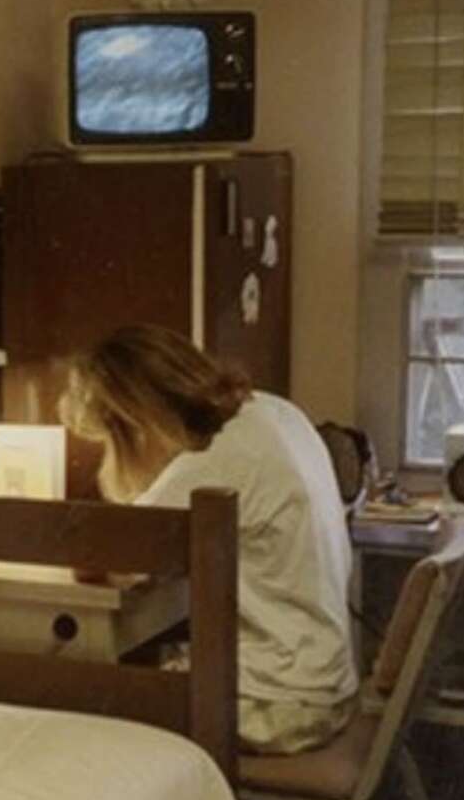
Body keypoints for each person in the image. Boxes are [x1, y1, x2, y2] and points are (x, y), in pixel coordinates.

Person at [58, 323, 359, 755]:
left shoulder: (213, 461)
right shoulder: (272, 412)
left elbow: (108, 561)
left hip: (279, 704)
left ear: (134, 422)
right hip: (322, 681)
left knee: (88, 699)